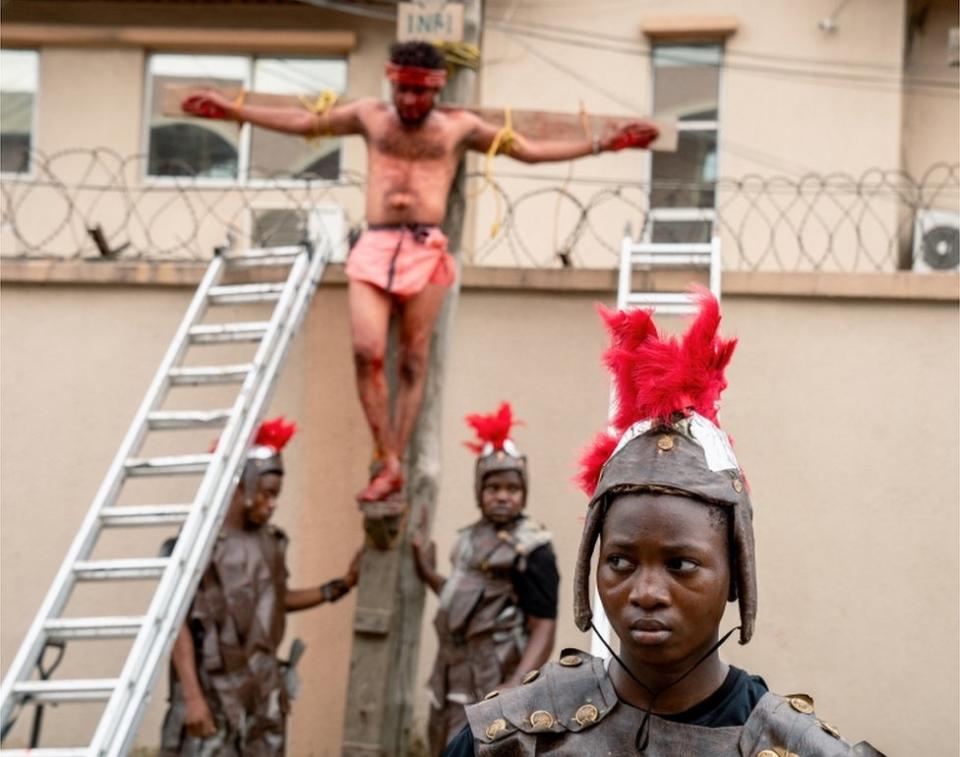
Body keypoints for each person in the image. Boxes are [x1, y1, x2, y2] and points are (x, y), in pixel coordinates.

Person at [181, 41, 660, 503]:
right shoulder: (370, 115)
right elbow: (306, 121)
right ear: (392, 84)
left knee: (413, 360)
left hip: (425, 248)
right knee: (366, 349)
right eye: (403, 90)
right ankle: (387, 455)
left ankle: (393, 464)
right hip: (374, 244)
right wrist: (232, 110)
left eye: (421, 91)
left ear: (437, 89)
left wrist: (604, 143)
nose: (410, 100)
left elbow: (528, 150)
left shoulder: (457, 127)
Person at [445, 294, 884, 756]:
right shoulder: (508, 740)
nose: (646, 592)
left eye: (680, 564)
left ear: (735, 572)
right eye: (619, 561)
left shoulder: (801, 749)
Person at [160, 417, 361, 756]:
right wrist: (193, 698)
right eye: (267, 493)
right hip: (213, 690)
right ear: (242, 485)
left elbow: (278, 602)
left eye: (277, 495)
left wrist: (338, 587)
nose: (273, 503)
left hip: (262, 690)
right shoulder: (198, 545)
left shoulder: (271, 543)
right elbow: (175, 624)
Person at [411, 403, 559, 757]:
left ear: (523, 492)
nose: (503, 496)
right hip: (450, 673)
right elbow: (463, 598)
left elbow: (544, 626)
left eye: (512, 487)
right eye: (493, 488)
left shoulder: (533, 547)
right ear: (480, 491)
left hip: (496, 676)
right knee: (443, 745)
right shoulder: (469, 539)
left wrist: (517, 683)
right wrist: (429, 572)